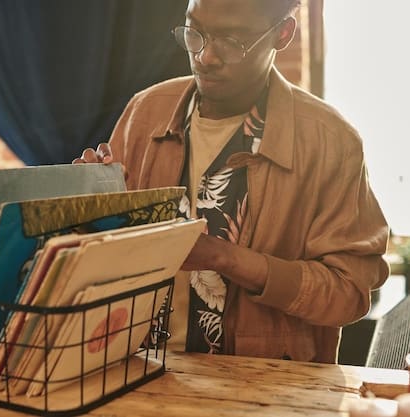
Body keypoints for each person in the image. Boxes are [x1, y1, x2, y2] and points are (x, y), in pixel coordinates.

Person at [74, 0, 389, 363]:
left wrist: (226, 258)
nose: (205, 57)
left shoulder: (330, 140)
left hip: (263, 391)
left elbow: (348, 294)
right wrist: (90, 204)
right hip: (136, 372)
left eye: (232, 40)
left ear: (282, 34)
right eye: (196, 33)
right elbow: (103, 259)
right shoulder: (145, 112)